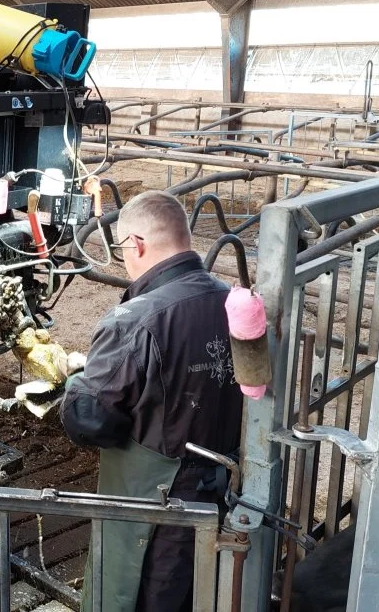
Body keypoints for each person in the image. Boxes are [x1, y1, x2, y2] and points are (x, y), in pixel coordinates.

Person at [60, 190, 243, 612]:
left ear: (135, 244)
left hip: (157, 508)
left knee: (139, 597)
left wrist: (76, 381)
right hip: (225, 494)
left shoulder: (136, 319)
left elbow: (91, 422)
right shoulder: (234, 299)